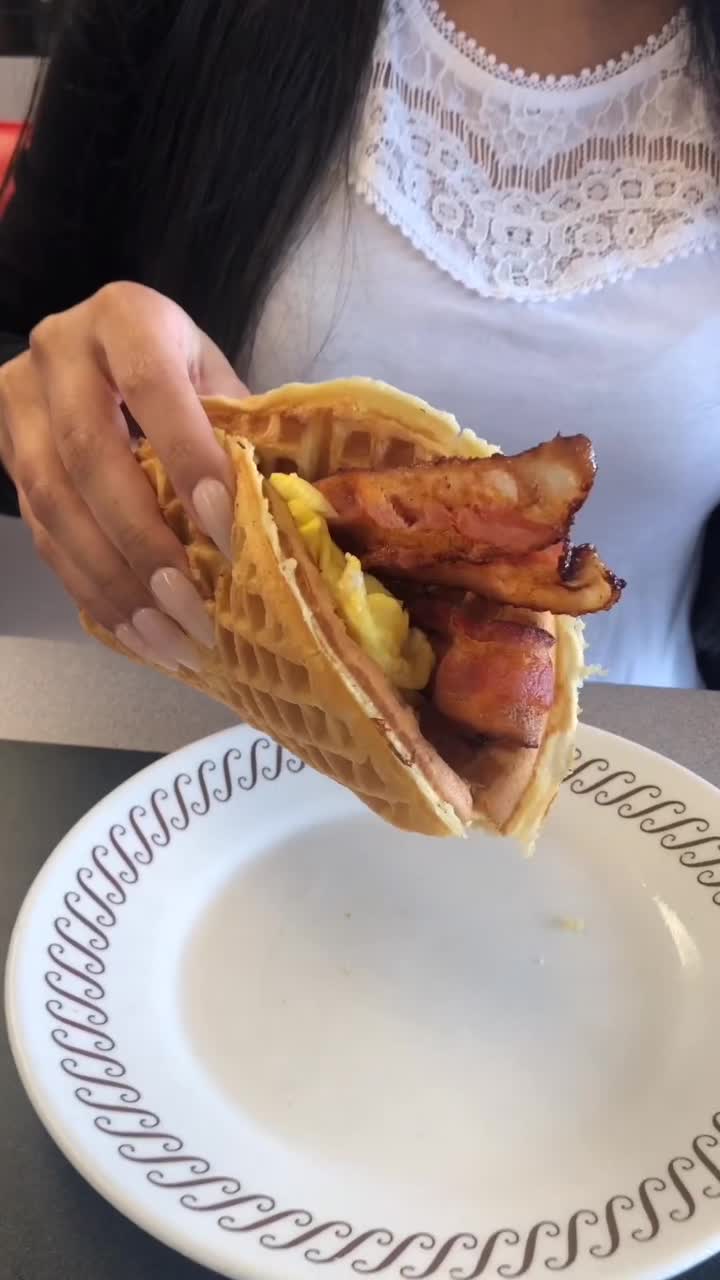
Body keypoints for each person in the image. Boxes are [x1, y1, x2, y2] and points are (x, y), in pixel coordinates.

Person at [0, 0, 718, 687]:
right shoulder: (172, 15)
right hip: (205, 740)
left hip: (668, 753)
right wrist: (56, 405)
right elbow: (22, 338)